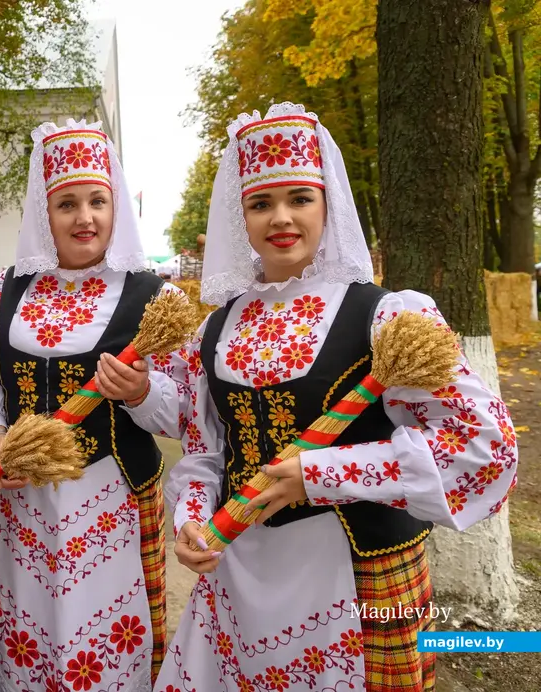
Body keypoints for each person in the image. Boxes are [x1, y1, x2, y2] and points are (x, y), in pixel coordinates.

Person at [153, 103, 519, 691]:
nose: (281, 218)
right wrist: (192, 520)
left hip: (360, 572)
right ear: (238, 215)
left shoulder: (386, 317)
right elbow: (204, 452)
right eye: (260, 203)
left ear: (328, 203)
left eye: (300, 198)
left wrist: (324, 472)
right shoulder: (216, 330)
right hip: (242, 570)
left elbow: (481, 446)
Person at [0, 119, 186, 691]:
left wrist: (140, 392)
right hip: (21, 503)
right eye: (66, 203)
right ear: (45, 215)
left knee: (101, 644)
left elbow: (188, 414)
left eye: (97, 200)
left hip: (109, 500)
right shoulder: (5, 290)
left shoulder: (151, 296)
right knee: (21, 633)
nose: (84, 217)